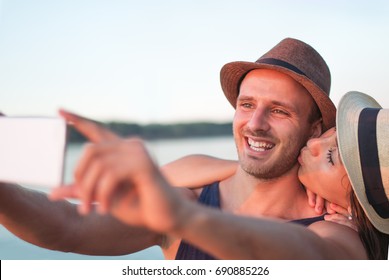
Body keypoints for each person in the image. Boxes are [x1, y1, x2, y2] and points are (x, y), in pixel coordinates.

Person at [0, 37, 337, 259]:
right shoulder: (186, 193)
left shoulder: (335, 230)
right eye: (247, 104)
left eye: (279, 110)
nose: (255, 123)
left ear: (315, 128)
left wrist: (183, 218)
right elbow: (67, 226)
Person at [52, 91, 389, 260]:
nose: (314, 145)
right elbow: (68, 227)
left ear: (357, 201)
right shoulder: (207, 180)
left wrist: (183, 217)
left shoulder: (344, 243)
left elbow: (289, 253)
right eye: (328, 136)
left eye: (330, 156)